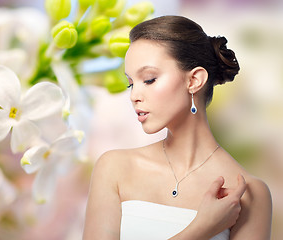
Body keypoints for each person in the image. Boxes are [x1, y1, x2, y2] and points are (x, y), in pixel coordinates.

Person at [83, 15, 272, 240]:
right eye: (131, 83)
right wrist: (202, 229)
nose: (134, 95)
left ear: (194, 81)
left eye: (149, 79)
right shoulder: (114, 168)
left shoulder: (248, 194)